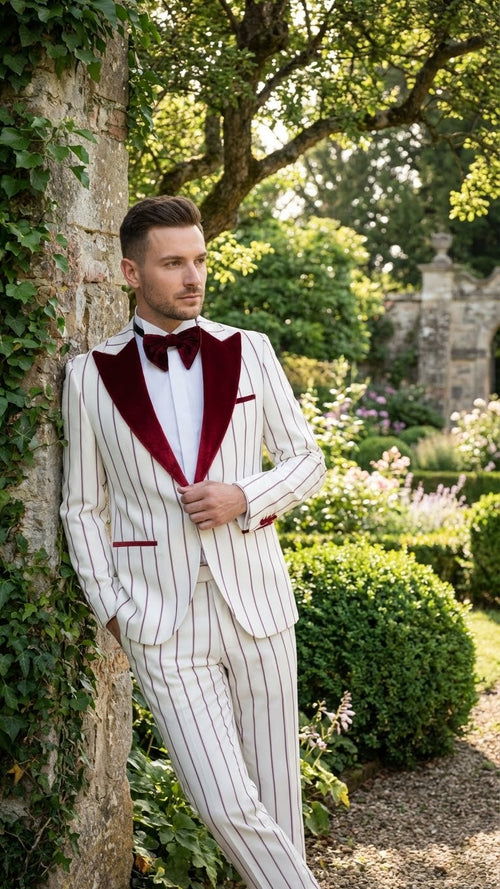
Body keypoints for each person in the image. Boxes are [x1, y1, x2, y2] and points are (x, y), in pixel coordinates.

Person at [60, 195, 326, 889]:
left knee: (277, 800)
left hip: (259, 606)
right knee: (222, 800)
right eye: (173, 262)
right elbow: (81, 506)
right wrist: (114, 610)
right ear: (130, 271)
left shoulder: (251, 350)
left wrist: (246, 495)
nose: (192, 276)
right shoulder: (90, 376)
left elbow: (307, 460)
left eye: (199, 259)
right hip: (161, 621)